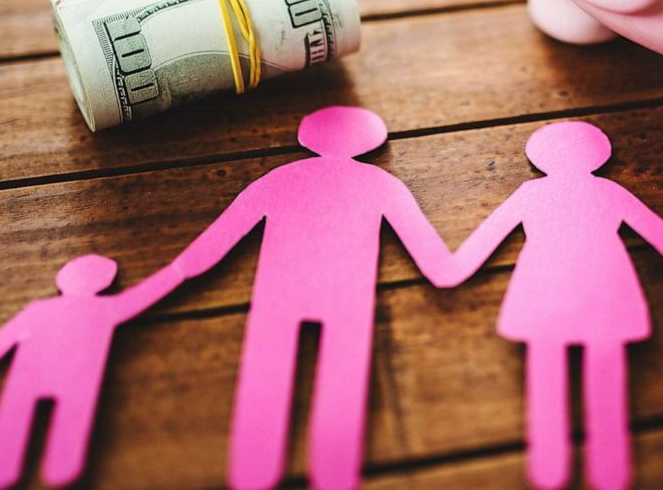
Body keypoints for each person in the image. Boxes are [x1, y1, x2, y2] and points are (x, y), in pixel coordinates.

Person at [170, 105, 454, 490]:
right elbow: (434, 262)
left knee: (266, 379)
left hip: (279, 296)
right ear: (372, 142)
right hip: (347, 301)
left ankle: (254, 473)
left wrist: (162, 282)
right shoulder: (382, 185)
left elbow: (210, 249)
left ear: (306, 136)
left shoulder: (281, 178)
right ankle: (332, 475)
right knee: (342, 384)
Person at [441, 121, 663, 489]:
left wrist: (451, 268)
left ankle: (553, 468)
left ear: (539, 156)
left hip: (547, 290)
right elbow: (662, 236)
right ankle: (604, 467)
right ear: (599, 155)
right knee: (602, 373)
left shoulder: (533, 193)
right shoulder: (606, 190)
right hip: (603, 288)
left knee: (549, 370)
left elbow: (486, 238)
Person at [0, 254, 182, 488]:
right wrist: (180, 268)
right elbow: (154, 288)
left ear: (62, 279)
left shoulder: (39, 310)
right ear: (105, 282)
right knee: (63, 437)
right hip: (74, 382)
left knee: (17, 428)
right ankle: (52, 470)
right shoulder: (107, 308)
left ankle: (8, 471)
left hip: (32, 378)